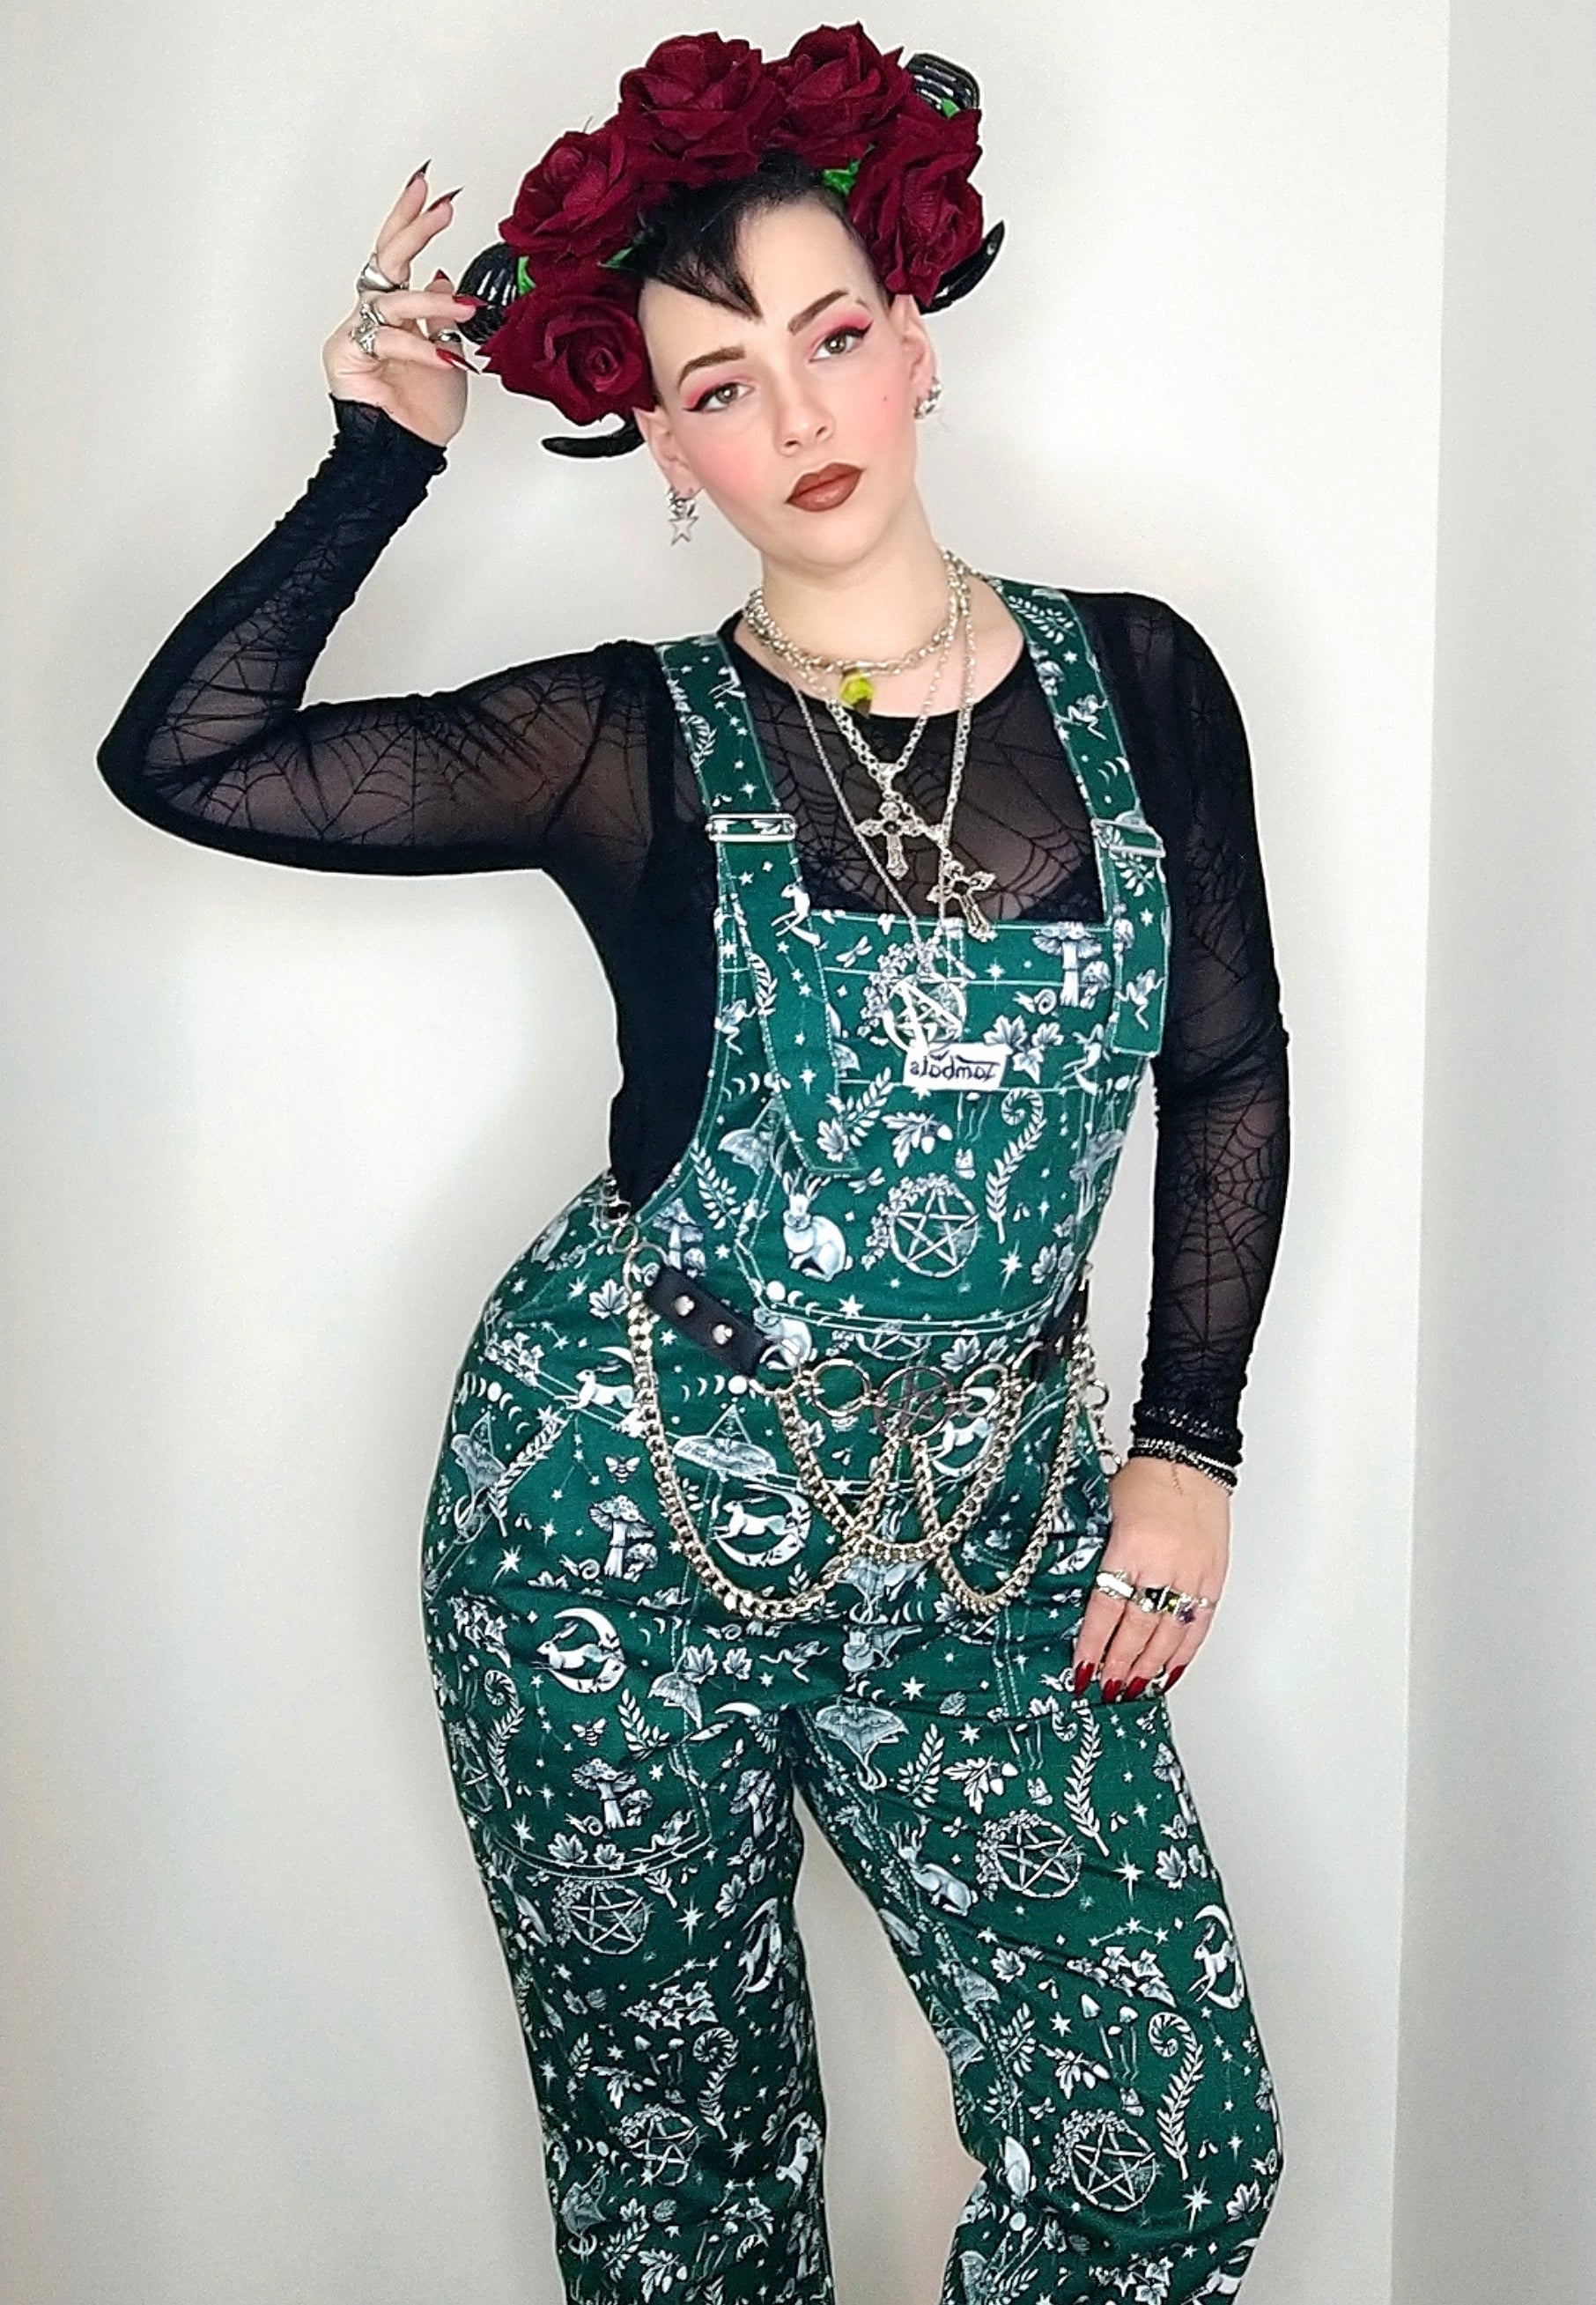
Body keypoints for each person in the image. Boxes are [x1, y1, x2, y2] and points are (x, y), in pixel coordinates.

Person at [97, 28, 1289, 2303]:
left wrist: (1190, 1443)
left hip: (987, 1535)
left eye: (829, 339)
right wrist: (377, 465)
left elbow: (1219, 1066)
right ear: (661, 446)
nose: (799, 415)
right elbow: (191, 756)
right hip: (600, 1536)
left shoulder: (1138, 681)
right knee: (686, 2197)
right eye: (720, 384)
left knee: (1162, 2149)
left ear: (913, 344)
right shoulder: (620, 738)